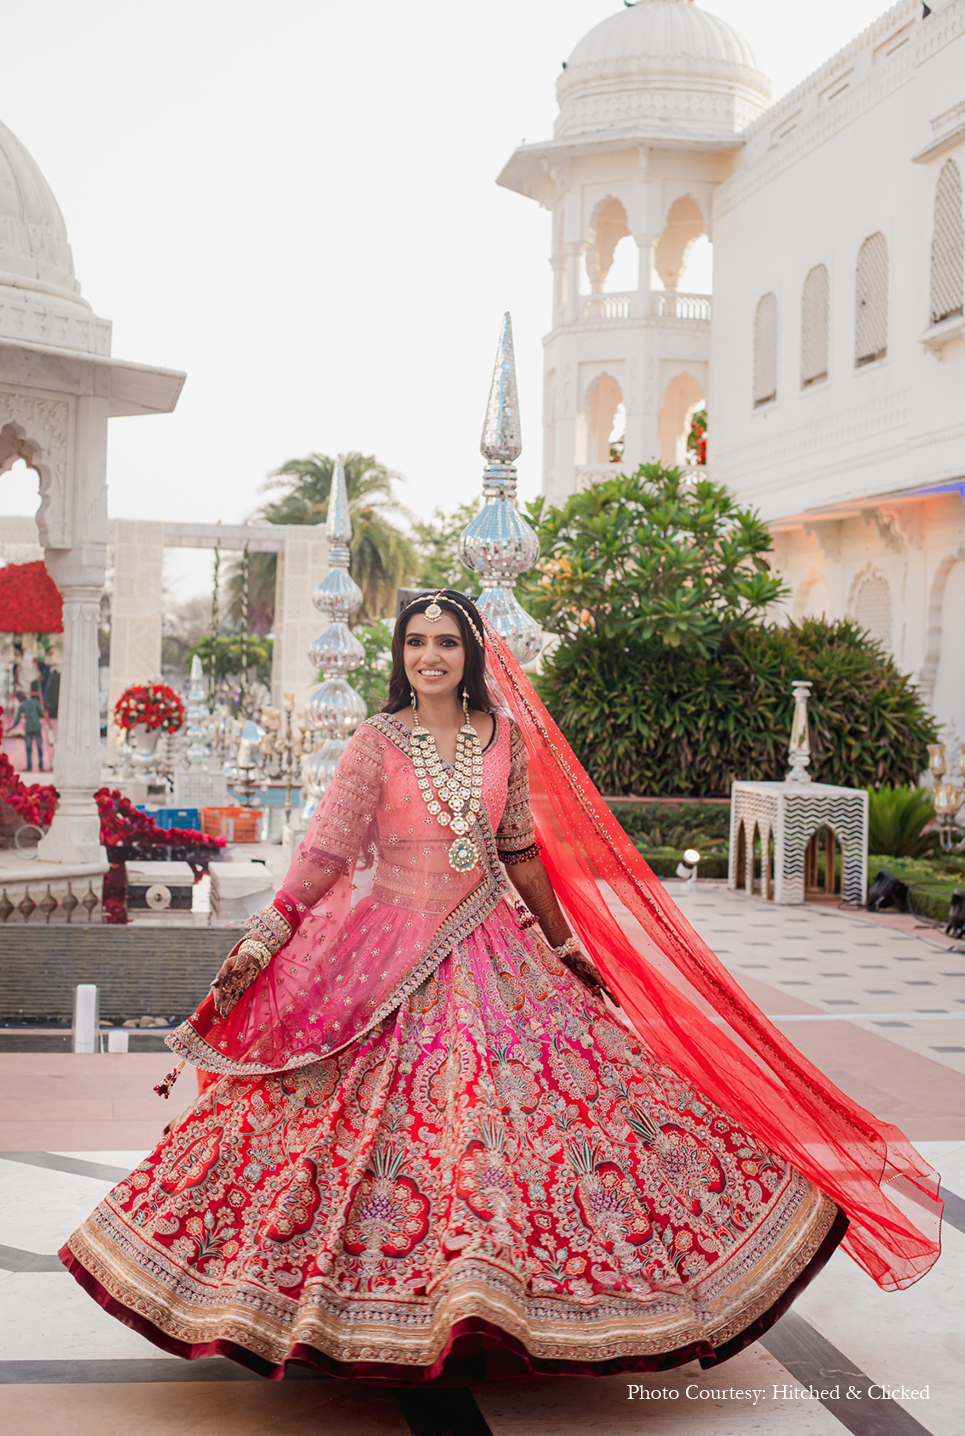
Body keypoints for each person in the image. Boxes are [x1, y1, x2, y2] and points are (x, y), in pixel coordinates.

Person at [60, 590, 940, 1382]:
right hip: (388, 954)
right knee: (358, 1124)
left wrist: (566, 944)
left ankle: (505, 1308)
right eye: (416, 643)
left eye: (446, 642)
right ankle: (367, 1310)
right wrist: (271, 930)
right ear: (400, 654)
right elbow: (327, 850)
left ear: (470, 654)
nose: (430, 657)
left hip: (498, 952)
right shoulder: (377, 740)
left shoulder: (505, 738)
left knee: (542, 1116)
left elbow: (518, 849)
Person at [7, 682, 49, 772]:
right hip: (37, 726)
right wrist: (48, 723)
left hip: (29, 728)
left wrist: (9, 729)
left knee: (29, 748)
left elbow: (17, 721)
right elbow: (43, 713)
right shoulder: (35, 702)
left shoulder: (22, 706)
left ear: (20, 697)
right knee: (39, 747)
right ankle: (40, 766)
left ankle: (29, 766)